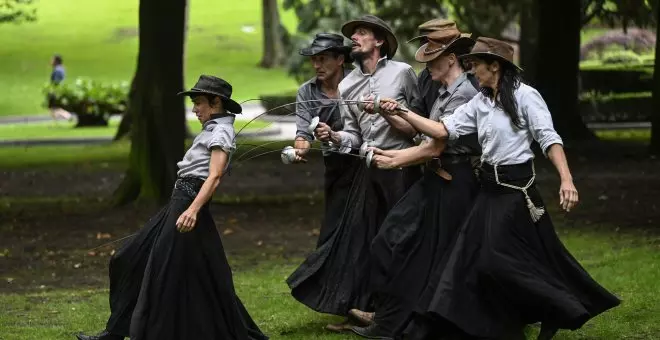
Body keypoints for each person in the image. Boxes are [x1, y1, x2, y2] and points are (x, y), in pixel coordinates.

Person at [370, 37, 621, 340]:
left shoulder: (526, 96)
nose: (471, 69)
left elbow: (548, 138)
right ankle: (469, 326)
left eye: (475, 64)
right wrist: (401, 111)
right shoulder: (480, 102)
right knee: (466, 260)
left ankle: (556, 308)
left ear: (495, 65)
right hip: (487, 190)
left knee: (496, 260)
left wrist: (566, 179)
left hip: (515, 192)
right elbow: (441, 130)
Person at [76, 75, 268, 340]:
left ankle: (132, 333)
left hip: (188, 206)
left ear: (216, 102)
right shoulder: (212, 129)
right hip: (178, 203)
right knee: (134, 258)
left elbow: (214, 176)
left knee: (158, 270)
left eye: (199, 102)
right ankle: (115, 332)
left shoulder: (222, 132)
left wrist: (192, 211)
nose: (194, 109)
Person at [286, 14, 422, 333]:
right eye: (354, 34)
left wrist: (392, 115)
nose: (355, 38)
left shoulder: (402, 74)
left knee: (400, 241)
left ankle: (403, 313)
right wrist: (333, 137)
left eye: (361, 33)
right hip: (368, 170)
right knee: (366, 242)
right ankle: (367, 309)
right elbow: (354, 136)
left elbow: (421, 123)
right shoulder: (348, 85)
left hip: (403, 169)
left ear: (379, 41)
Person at [349, 21, 480, 339]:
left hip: (455, 181)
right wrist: (386, 111)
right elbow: (419, 134)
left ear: (451, 58)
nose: (427, 65)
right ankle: (390, 316)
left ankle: (399, 321)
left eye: (433, 59)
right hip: (433, 178)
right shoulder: (440, 91)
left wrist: (394, 158)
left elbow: (437, 141)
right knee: (392, 241)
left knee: (430, 254)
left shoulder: (465, 94)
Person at [289, 32, 359, 248]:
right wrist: (299, 150)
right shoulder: (307, 91)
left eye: (323, 59)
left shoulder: (359, 83)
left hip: (364, 161)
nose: (317, 65)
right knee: (334, 225)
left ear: (340, 60)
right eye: (314, 59)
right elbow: (303, 133)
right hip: (336, 165)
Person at [47, 54, 73, 122]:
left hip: (55, 91)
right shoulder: (61, 69)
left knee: (54, 108)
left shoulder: (58, 70)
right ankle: (56, 122)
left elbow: (56, 82)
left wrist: (52, 90)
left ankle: (68, 116)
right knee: (52, 108)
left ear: (56, 61)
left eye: (52, 60)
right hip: (58, 90)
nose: (51, 61)